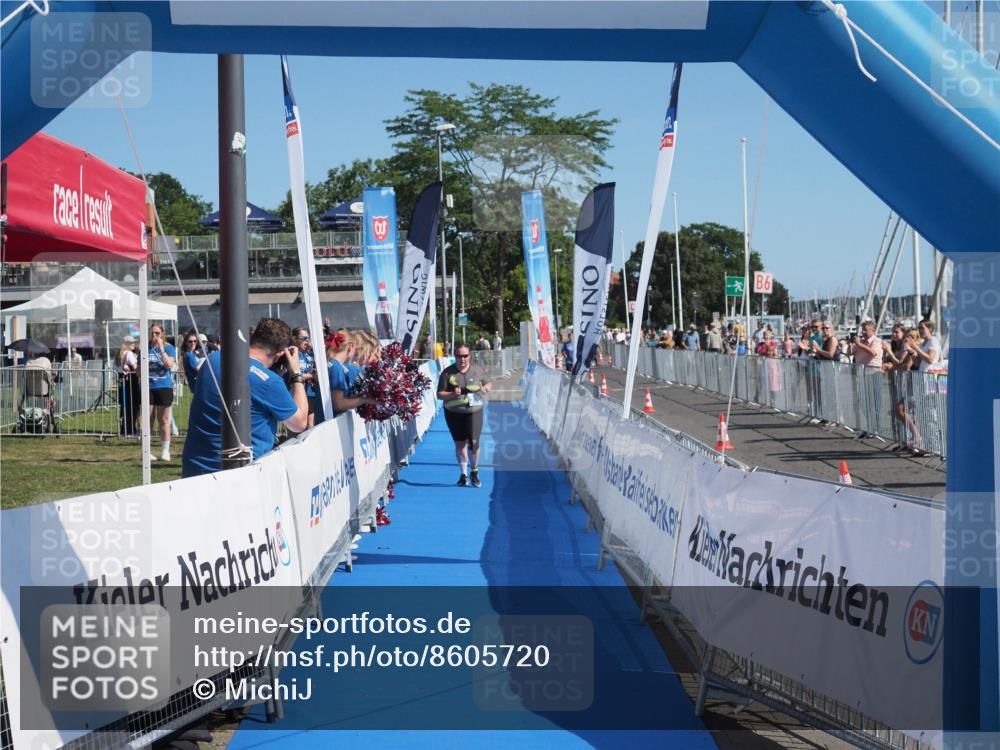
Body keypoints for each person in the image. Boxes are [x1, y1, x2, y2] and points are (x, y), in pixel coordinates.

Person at [182, 318, 309, 478]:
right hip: (239, 474)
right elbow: (299, 423)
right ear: (280, 354)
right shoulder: (269, 382)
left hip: (195, 468)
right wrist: (296, 374)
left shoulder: (213, 359)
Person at [437, 343, 492, 488]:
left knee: (473, 442)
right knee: (460, 443)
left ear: (470, 356)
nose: (462, 359)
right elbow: (439, 394)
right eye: (459, 356)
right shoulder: (447, 373)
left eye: (465, 356)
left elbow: (488, 383)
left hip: (474, 411)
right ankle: (463, 475)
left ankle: (474, 472)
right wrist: (452, 393)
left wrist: (485, 388)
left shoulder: (477, 369)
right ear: (455, 356)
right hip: (453, 413)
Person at [146, 324, 176, 461]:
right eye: (152, 333)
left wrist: (161, 349)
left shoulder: (169, 348)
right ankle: (146, 451)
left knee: (163, 419)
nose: (154, 336)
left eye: (157, 333)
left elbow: (169, 364)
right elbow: (139, 370)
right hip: (149, 387)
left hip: (164, 386)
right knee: (148, 420)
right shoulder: (145, 348)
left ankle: (165, 451)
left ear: (162, 334)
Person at [293, 327, 318, 429]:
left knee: (310, 424)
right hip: (296, 393)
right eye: (304, 338)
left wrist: (312, 347)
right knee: (296, 426)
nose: (307, 341)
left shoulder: (309, 353)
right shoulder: (293, 354)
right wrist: (312, 376)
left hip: (310, 392)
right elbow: (294, 374)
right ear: (294, 339)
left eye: (308, 338)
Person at [116, 337, 140, 436]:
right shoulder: (129, 354)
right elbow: (135, 367)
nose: (134, 344)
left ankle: (124, 429)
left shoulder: (119, 355)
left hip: (123, 382)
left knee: (124, 406)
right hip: (130, 382)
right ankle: (130, 429)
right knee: (132, 406)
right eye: (132, 342)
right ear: (127, 343)